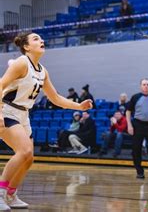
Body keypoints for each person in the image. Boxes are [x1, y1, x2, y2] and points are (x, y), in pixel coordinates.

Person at [0, 32, 92, 210]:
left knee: (28, 158)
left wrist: (79, 106)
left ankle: (11, 194)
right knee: (24, 150)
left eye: (41, 38)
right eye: (35, 39)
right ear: (26, 47)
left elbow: (55, 98)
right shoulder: (21, 62)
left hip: (24, 114)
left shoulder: (43, 71)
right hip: (8, 110)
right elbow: (1, 84)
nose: (41, 40)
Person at [126, 79, 148, 180]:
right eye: (144, 84)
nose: (146, 86)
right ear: (140, 86)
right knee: (136, 149)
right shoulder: (135, 97)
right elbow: (128, 111)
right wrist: (129, 125)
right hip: (138, 125)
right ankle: (139, 172)